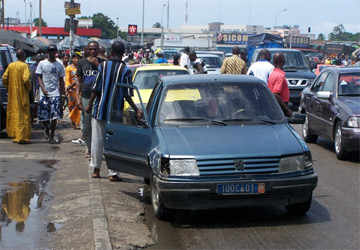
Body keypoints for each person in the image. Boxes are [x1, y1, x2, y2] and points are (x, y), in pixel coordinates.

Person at [85, 41, 142, 181]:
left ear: (111, 53)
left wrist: (89, 105)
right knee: (112, 142)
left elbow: (95, 89)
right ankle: (113, 173)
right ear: (123, 54)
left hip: (99, 110)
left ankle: (96, 170)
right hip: (115, 113)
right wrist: (137, 109)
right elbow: (127, 94)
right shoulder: (126, 70)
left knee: (97, 141)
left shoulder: (102, 66)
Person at [76, 41, 103, 158]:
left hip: (99, 98)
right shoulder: (82, 62)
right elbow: (79, 81)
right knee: (86, 126)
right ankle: (89, 148)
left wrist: (97, 65)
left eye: (95, 49)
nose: (92, 51)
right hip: (86, 97)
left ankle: (95, 150)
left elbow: (106, 76)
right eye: (90, 49)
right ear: (87, 49)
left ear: (98, 50)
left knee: (98, 125)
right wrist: (77, 97)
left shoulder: (103, 63)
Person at [36, 45, 66, 143]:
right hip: (44, 94)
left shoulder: (59, 65)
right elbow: (39, 77)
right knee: (43, 117)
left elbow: (61, 81)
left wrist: (62, 95)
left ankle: (52, 136)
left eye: (53, 51)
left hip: (55, 93)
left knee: (54, 117)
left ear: (56, 52)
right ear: (48, 52)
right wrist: (43, 88)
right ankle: (46, 128)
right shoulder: (42, 63)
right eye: (50, 51)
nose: (52, 53)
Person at [1, 49, 32, 144]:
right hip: (22, 93)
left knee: (14, 113)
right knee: (23, 114)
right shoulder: (24, 66)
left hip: (13, 94)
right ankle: (22, 137)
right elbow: (26, 79)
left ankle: (15, 135)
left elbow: (4, 78)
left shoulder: (11, 65)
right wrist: (28, 88)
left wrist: (9, 87)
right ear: (23, 56)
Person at [267, 52, 292, 117]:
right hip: (280, 106)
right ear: (283, 60)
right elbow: (275, 94)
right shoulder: (280, 76)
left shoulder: (273, 73)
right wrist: (287, 109)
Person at [65, 53, 81, 129]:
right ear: (72, 59)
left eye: (78, 58)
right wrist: (67, 88)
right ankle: (73, 121)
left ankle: (77, 122)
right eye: (75, 58)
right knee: (71, 106)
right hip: (71, 90)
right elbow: (67, 79)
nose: (77, 60)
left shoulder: (80, 68)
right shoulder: (69, 68)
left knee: (78, 106)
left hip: (79, 90)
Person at [29, 54, 44, 123]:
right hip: (36, 89)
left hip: (43, 88)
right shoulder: (32, 67)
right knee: (35, 105)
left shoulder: (44, 66)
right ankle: (32, 120)